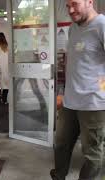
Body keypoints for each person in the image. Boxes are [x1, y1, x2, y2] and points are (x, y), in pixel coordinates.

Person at [50, 0, 105, 179]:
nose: (70, 10)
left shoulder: (102, 26)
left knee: (92, 153)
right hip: (70, 101)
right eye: (67, 6)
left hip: (94, 104)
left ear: (90, 1)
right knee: (60, 145)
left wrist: (100, 90)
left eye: (75, 4)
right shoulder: (73, 28)